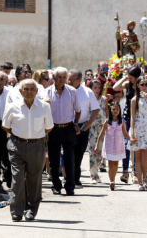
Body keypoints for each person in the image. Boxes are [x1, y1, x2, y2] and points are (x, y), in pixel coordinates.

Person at [2, 79, 54, 221]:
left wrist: (34, 136)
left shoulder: (44, 107)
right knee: (17, 179)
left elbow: (48, 127)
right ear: (20, 91)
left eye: (32, 89)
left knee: (34, 179)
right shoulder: (12, 107)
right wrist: (20, 134)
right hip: (16, 146)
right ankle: (17, 211)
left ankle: (31, 210)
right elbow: (6, 126)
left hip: (37, 146)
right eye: (26, 89)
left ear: (37, 91)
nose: (29, 91)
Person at [46, 67, 81, 196]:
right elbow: (44, 113)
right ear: (54, 78)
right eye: (59, 77)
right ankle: (56, 185)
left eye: (63, 77)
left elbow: (78, 110)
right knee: (53, 159)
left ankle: (70, 186)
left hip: (68, 128)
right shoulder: (46, 92)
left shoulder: (72, 91)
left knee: (69, 158)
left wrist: (76, 124)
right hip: (53, 129)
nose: (61, 80)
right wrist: (45, 131)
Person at [127, 76, 147, 191]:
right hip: (139, 127)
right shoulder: (134, 99)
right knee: (138, 156)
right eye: (142, 84)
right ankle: (140, 181)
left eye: (146, 84)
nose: (145, 87)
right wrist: (132, 132)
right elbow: (132, 117)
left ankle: (145, 177)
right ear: (138, 85)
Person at [68, 69, 100, 187]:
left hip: (82, 127)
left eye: (72, 79)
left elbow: (95, 110)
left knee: (79, 154)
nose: (69, 82)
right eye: (68, 79)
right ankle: (68, 177)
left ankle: (75, 177)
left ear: (79, 80)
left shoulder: (88, 92)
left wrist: (88, 125)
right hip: (67, 126)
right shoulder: (64, 91)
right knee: (68, 153)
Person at [113, 66, 142, 183]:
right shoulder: (128, 85)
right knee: (126, 144)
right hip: (126, 117)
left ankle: (135, 171)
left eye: (131, 77)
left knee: (135, 144)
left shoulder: (142, 86)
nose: (129, 79)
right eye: (129, 77)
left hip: (138, 118)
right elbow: (115, 87)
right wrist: (125, 77)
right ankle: (125, 171)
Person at [95, 101, 131, 191]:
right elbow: (101, 133)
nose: (115, 111)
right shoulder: (107, 122)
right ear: (110, 110)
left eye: (117, 109)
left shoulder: (122, 122)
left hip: (118, 145)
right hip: (109, 145)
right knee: (110, 163)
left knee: (116, 163)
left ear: (119, 110)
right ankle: (111, 181)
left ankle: (113, 179)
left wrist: (131, 139)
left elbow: (125, 134)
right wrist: (97, 145)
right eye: (113, 109)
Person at [87, 79, 108, 183]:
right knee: (92, 151)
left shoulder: (103, 99)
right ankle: (93, 174)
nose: (97, 90)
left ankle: (97, 171)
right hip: (92, 128)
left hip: (102, 128)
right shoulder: (89, 99)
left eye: (98, 87)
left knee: (100, 151)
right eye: (94, 87)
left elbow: (106, 113)